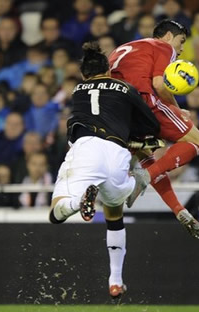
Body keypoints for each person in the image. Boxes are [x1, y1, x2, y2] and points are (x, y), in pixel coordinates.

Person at [49, 42, 160, 298]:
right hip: (118, 153)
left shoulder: (78, 91)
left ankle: (79, 200)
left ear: (84, 75)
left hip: (87, 147)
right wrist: (139, 140)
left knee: (56, 213)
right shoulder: (124, 88)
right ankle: (116, 280)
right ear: (109, 70)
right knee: (114, 211)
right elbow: (151, 123)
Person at [108, 20, 199, 238]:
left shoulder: (122, 49)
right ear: (169, 36)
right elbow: (160, 85)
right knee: (197, 141)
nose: (180, 50)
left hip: (115, 111)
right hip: (143, 101)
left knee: (147, 156)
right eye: (181, 41)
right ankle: (143, 178)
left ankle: (179, 211)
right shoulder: (163, 47)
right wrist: (177, 109)